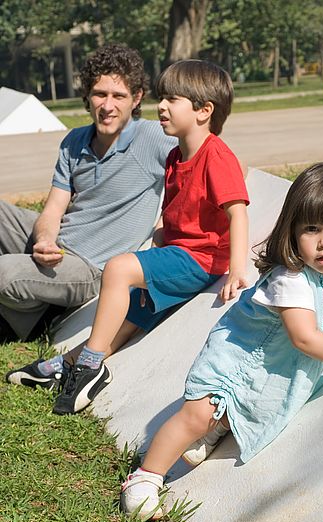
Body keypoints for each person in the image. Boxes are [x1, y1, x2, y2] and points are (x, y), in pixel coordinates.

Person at [120, 161, 323, 521]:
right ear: (292, 230)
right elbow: (305, 337)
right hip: (241, 357)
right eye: (311, 229)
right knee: (199, 412)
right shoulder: (293, 277)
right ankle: (146, 476)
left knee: (257, 402)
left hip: (281, 366)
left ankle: (220, 427)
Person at [6, 59, 250, 417]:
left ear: (204, 110)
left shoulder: (216, 155)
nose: (161, 107)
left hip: (201, 259)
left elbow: (237, 211)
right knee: (129, 313)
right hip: (179, 254)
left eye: (172, 99)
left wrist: (238, 269)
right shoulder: (174, 155)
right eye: (161, 98)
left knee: (119, 269)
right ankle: (66, 364)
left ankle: (90, 368)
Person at [0, 43, 176, 343]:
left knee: (3, 273)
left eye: (118, 96)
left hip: (91, 268)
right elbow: (54, 209)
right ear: (88, 96)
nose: (107, 106)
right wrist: (44, 240)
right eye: (99, 94)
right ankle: (28, 296)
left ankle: (36, 314)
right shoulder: (74, 140)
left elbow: (216, 162)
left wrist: (164, 229)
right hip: (59, 244)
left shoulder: (152, 138)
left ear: (136, 98)